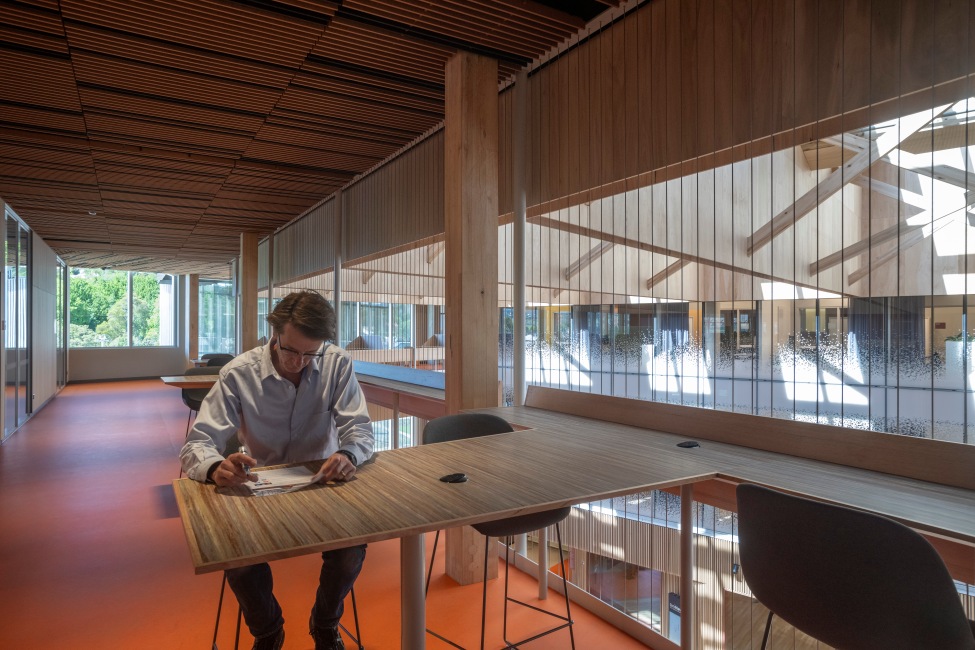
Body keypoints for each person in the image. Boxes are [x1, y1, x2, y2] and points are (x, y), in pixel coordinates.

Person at [181, 291, 374, 650]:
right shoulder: (239, 374)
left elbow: (360, 429)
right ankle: (269, 632)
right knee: (235, 559)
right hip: (260, 483)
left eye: (309, 353)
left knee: (352, 549)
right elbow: (197, 444)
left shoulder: (337, 364)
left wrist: (348, 452)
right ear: (274, 333)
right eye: (290, 350)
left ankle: (325, 624)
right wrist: (214, 467)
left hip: (323, 483)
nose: (298, 362)